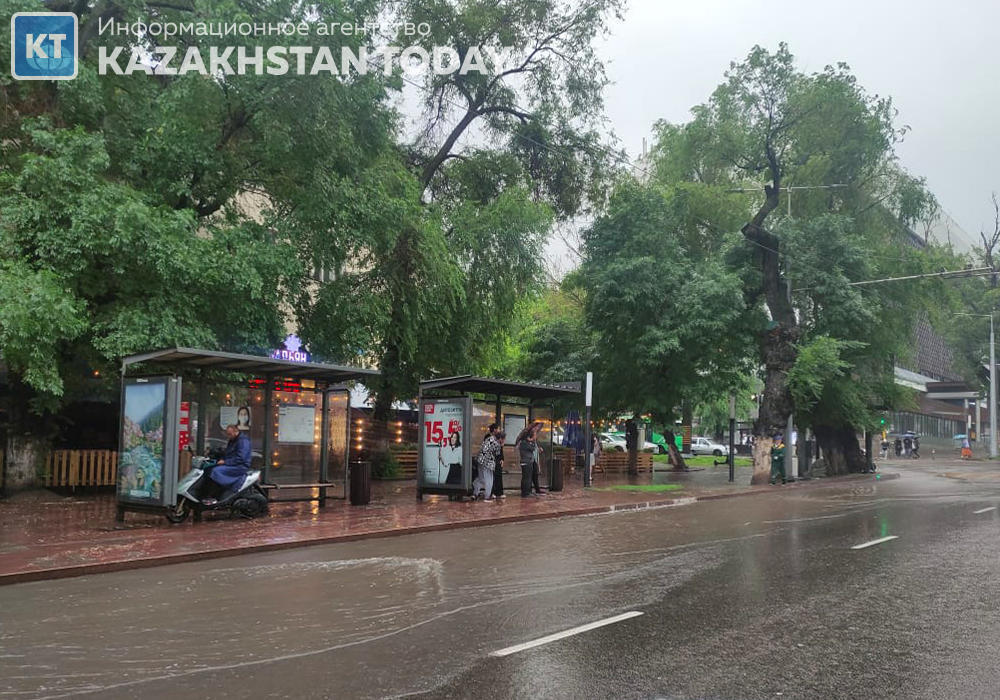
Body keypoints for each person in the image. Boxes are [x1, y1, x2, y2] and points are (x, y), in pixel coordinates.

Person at [204, 424, 252, 503]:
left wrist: (225, 462)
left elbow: (241, 458)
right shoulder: (233, 440)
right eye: (227, 434)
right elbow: (228, 453)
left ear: (236, 431)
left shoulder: (243, 441)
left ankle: (214, 495)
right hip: (232, 464)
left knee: (216, 471)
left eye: (230, 434)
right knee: (208, 469)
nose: (228, 436)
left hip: (239, 466)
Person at [473, 427, 500, 500]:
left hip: (480, 460)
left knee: (481, 478)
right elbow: (497, 454)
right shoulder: (496, 443)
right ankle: (487, 496)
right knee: (489, 479)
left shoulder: (488, 439)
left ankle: (475, 493)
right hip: (487, 463)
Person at [515, 422, 541, 497]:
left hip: (529, 461)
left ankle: (528, 491)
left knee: (528, 478)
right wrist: (532, 440)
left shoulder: (527, 442)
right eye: (534, 436)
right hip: (526, 462)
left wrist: (532, 441)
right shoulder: (524, 443)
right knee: (526, 478)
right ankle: (525, 493)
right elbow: (532, 448)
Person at [491, 431, 507, 500]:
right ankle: (493, 492)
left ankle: (499, 492)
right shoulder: (494, 443)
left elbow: (501, 454)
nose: (504, 440)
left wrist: (502, 460)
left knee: (499, 477)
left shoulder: (500, 444)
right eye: (503, 439)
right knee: (494, 478)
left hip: (498, 463)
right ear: (500, 438)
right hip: (494, 462)